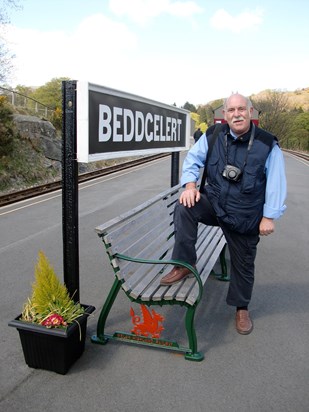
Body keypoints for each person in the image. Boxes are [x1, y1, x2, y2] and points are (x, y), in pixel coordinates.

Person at [160, 93, 287, 335]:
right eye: (231, 110)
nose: (236, 114)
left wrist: (269, 216)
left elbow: (276, 183)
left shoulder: (266, 144)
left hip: (245, 214)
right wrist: (189, 186)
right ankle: (186, 263)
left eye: (241, 109)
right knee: (185, 206)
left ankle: (241, 308)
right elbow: (193, 160)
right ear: (225, 114)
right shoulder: (213, 134)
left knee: (244, 264)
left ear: (250, 112)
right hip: (215, 203)